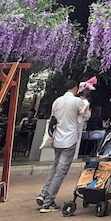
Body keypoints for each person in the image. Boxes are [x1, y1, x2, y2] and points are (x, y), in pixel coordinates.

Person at [36, 80, 90, 213]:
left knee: (55, 167)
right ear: (75, 88)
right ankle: (48, 202)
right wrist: (85, 104)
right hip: (69, 139)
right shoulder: (77, 101)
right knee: (61, 171)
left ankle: (44, 194)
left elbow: (53, 119)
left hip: (57, 139)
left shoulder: (57, 101)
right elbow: (86, 115)